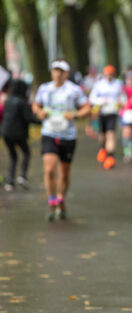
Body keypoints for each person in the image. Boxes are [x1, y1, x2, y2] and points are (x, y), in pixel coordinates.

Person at [32, 59, 90, 221]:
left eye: (61, 71)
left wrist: (76, 115)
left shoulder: (74, 90)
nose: (58, 74)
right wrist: (39, 112)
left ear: (66, 73)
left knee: (64, 173)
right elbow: (36, 105)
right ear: (52, 72)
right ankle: (52, 202)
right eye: (55, 70)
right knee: (49, 169)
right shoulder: (45, 89)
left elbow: (87, 107)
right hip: (49, 133)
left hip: (68, 135)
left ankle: (61, 200)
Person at [1, 80, 36, 191]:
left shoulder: (8, 101)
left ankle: (10, 181)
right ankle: (22, 176)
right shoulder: (22, 102)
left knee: (13, 156)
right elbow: (28, 118)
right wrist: (41, 120)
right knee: (26, 153)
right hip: (19, 134)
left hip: (6, 133)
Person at [89, 65, 122, 170]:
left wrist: (120, 103)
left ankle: (110, 158)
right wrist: (101, 101)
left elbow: (122, 97)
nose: (109, 76)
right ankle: (103, 149)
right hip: (101, 112)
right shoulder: (99, 85)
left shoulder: (118, 84)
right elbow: (92, 98)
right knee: (102, 136)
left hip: (112, 112)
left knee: (110, 134)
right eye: (107, 74)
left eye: (111, 74)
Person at [81, 65, 100, 139]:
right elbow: (83, 89)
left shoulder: (98, 78)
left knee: (95, 114)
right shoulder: (86, 79)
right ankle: (89, 128)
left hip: (96, 101)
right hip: (88, 100)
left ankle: (95, 129)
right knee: (89, 115)